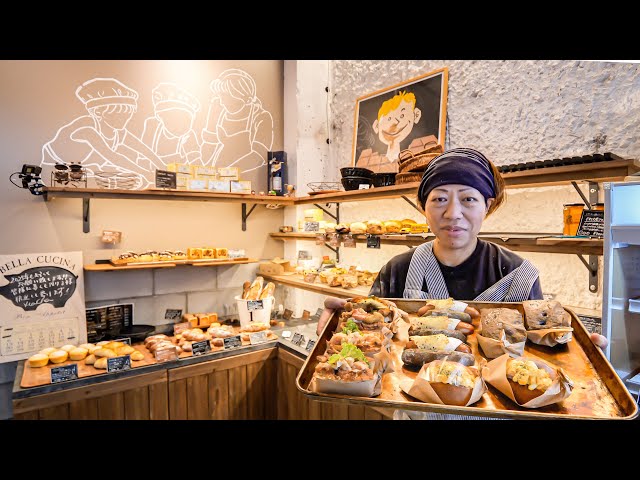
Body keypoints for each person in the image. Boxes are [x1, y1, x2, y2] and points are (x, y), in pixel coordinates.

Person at [316, 148, 609, 413]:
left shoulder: (519, 274)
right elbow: (372, 347)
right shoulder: (397, 270)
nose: (452, 213)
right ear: (423, 207)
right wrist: (337, 335)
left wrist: (578, 352)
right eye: (439, 199)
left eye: (468, 199)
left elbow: (539, 355)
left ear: (487, 205)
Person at [41, 77, 165, 189]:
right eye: (118, 115)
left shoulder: (117, 130)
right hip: (55, 170)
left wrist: (163, 167)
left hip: (82, 170)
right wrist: (147, 174)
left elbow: (143, 149)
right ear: (98, 112)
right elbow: (113, 157)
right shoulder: (86, 129)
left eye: (127, 115)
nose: (124, 120)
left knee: (130, 179)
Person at [200, 69, 274, 173]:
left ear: (240, 95)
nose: (221, 102)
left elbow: (259, 156)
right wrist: (210, 122)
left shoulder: (260, 116)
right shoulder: (221, 116)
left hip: (246, 177)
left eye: (225, 97)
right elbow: (205, 158)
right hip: (219, 180)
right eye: (220, 97)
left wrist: (228, 172)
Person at [141, 82, 202, 165]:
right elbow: (142, 159)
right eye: (176, 119)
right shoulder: (152, 126)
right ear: (161, 117)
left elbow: (197, 164)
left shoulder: (189, 136)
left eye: (187, 120)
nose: (183, 125)